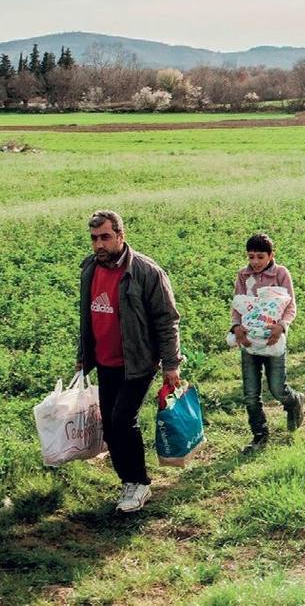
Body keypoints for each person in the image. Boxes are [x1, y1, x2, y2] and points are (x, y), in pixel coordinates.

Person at [76, 210, 181, 513]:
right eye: (95, 238)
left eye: (106, 237)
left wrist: (171, 364)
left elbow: (167, 320)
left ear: (121, 236)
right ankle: (128, 481)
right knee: (109, 428)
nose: (99, 244)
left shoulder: (146, 272)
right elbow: (88, 316)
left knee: (123, 420)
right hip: (106, 361)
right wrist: (83, 357)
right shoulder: (89, 269)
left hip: (138, 362)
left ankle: (141, 483)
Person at [231, 233, 305, 451]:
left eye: (260, 257)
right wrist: (236, 327)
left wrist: (282, 326)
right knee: (251, 394)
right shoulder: (243, 276)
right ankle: (260, 435)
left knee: (276, 388)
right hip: (249, 341)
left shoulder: (281, 274)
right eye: (251, 257)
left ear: (271, 255)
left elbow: (291, 306)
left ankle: (294, 401)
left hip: (273, 340)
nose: (255, 262)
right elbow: (237, 305)